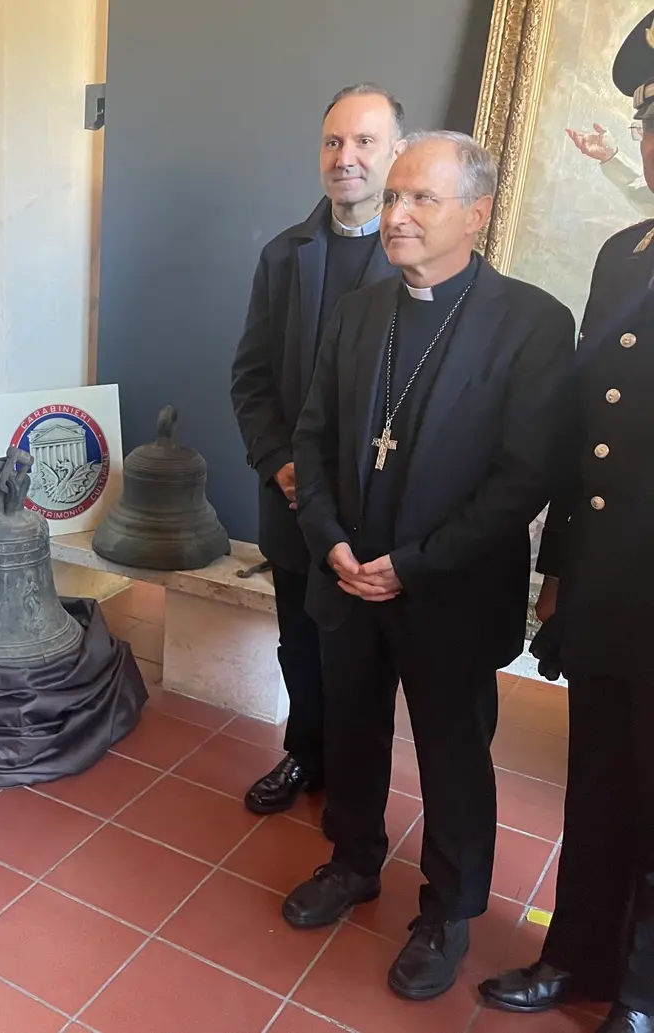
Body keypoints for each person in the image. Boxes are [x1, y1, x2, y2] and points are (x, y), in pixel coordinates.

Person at [284, 130, 575, 1001]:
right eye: (393, 197)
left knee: (453, 752)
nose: (395, 215)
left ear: (476, 214)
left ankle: (448, 909)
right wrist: (331, 537)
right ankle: (353, 858)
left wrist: (410, 564)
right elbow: (313, 436)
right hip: (348, 577)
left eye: (421, 199)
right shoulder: (361, 310)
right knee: (354, 728)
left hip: (446, 588)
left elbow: (524, 477)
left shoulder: (532, 322)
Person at [480, 13, 654, 1031]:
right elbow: (596, 439)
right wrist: (562, 569)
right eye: (650, 119)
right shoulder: (626, 255)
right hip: (608, 589)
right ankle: (578, 957)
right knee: (598, 789)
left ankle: (637, 994)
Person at [231, 82, 404, 815]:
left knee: (364, 664)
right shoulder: (284, 256)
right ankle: (305, 756)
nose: (347, 158)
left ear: (397, 152)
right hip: (295, 502)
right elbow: (252, 377)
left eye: (365, 142)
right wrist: (280, 462)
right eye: (334, 142)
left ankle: (358, 796)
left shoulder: (419, 261)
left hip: (375, 519)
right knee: (299, 645)